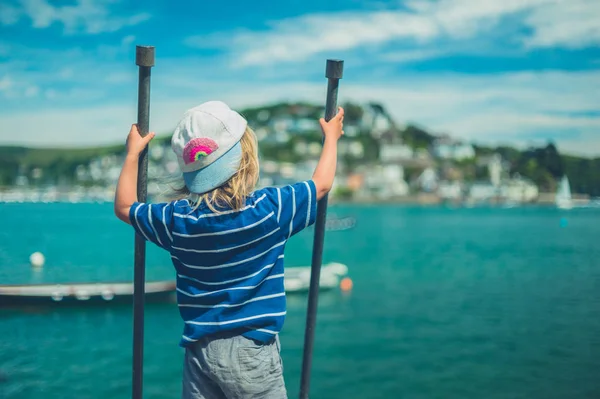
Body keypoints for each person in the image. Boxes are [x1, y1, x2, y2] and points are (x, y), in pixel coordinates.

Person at [114, 100, 344, 398]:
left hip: (199, 352)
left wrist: (132, 154)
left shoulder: (177, 220)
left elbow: (124, 207)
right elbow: (321, 185)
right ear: (246, 159)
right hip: (251, 352)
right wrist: (331, 138)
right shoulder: (269, 210)